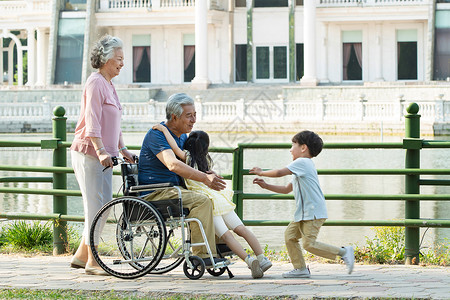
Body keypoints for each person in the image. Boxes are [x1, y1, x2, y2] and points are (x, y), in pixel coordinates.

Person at [152, 127, 273, 279]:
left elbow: (174, 147)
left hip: (207, 200)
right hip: (219, 198)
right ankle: (262, 257)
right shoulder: (206, 159)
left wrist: (163, 130)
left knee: (227, 235)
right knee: (241, 228)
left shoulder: (187, 157)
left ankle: (249, 260)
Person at [69, 35, 135, 276]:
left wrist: (122, 149)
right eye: (118, 59)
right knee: (96, 206)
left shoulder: (109, 84)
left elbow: (113, 123)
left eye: (123, 59)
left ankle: (82, 255)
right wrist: (99, 150)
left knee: (103, 205)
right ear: (106, 59)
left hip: (105, 155)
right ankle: (93, 262)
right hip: (90, 153)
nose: (122, 63)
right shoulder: (95, 83)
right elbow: (93, 120)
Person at [138, 93, 228, 267]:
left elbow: (189, 162)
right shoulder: (156, 135)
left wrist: (207, 173)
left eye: (195, 114)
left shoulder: (182, 137)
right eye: (189, 116)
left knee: (214, 197)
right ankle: (202, 254)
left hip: (174, 190)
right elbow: (173, 164)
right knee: (202, 201)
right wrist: (204, 178)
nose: (193, 120)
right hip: (156, 192)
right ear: (174, 117)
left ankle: (218, 245)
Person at [249, 130, 354, 278]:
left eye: (293, 145)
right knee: (290, 236)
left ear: (303, 148)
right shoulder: (302, 167)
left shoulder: (302, 162)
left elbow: (279, 172)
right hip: (303, 213)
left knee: (308, 243)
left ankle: (344, 252)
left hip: (313, 212)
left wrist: (261, 172)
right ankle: (300, 269)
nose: (290, 149)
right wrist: (266, 186)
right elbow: (286, 189)